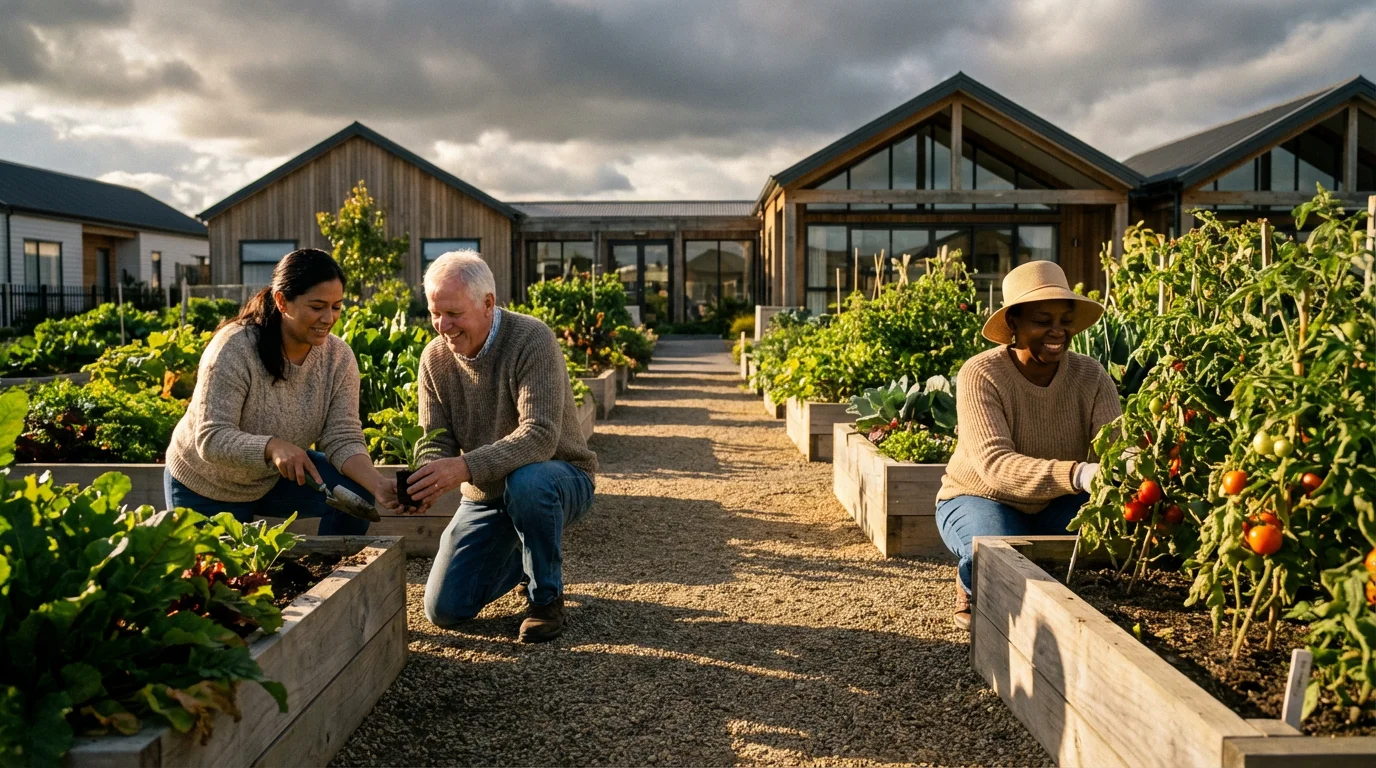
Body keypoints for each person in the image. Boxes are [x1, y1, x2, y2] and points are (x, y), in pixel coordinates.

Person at [406, 250, 596, 643]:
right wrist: (425, 481)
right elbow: (435, 440)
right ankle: (526, 552)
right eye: (434, 313)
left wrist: (462, 468)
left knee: (528, 484)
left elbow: (540, 436)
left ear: (488, 303)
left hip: (559, 477)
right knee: (444, 610)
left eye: (453, 313)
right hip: (486, 495)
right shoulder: (435, 359)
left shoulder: (531, 338)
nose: (443, 326)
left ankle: (545, 598)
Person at [935, 260, 1121, 630]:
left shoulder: (1091, 375)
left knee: (1108, 533)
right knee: (999, 548)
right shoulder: (982, 373)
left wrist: (1130, 467)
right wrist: (1080, 472)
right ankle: (971, 584)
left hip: (1057, 501)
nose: (1057, 331)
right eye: (1042, 319)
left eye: (1064, 320)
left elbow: (1115, 446)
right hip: (981, 497)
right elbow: (995, 465)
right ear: (1014, 326)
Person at [164, 248, 400, 529]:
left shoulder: (338, 358)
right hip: (205, 485)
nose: (328, 318)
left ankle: (339, 570)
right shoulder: (235, 348)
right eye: (317, 307)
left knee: (356, 492)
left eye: (336, 307)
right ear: (282, 301)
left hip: (272, 480)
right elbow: (211, 438)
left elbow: (342, 435)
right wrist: (272, 446)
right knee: (223, 571)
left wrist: (378, 484)